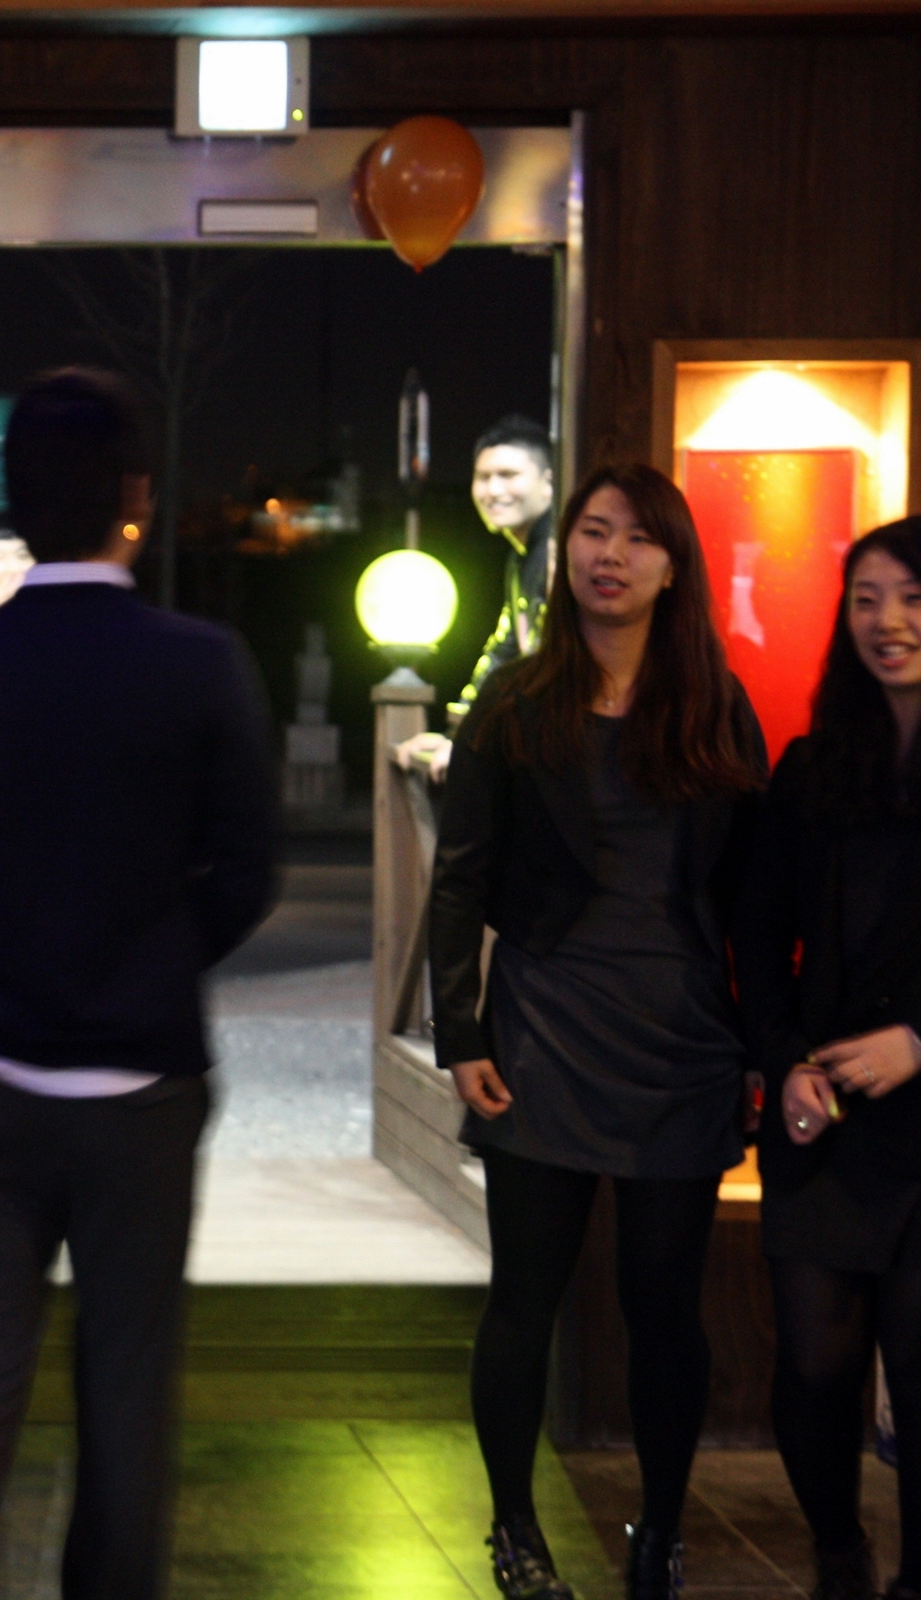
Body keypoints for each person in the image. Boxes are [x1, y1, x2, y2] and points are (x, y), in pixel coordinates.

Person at [0, 368, 280, 1600]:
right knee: (127, 1392)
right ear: (137, 497)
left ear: (12, 503)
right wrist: (150, 952)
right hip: (140, 1085)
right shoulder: (204, 663)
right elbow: (250, 870)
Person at [431, 463, 768, 1600]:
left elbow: (754, 898)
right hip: (543, 1032)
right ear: (566, 550)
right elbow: (459, 877)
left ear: (674, 567)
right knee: (525, 1296)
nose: (608, 554)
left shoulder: (715, 706)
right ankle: (515, 1532)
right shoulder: (517, 702)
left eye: (634, 537)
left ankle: (660, 1533)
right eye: (591, 531)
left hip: (681, 1041)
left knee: (664, 1307)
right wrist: (461, 1032)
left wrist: (761, 1047)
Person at [736, 517, 921, 1600]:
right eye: (867, 599)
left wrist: (919, 1041)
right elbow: (758, 934)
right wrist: (784, 1058)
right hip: (827, 1113)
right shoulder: (813, 767)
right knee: (813, 1367)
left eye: (912, 598)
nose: (888, 621)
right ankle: (838, 1552)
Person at [453, 415, 562, 723]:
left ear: (548, 482)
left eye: (508, 475)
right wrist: (462, 726)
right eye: (483, 477)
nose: (493, 490)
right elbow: (506, 650)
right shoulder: (520, 558)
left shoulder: (559, 548)